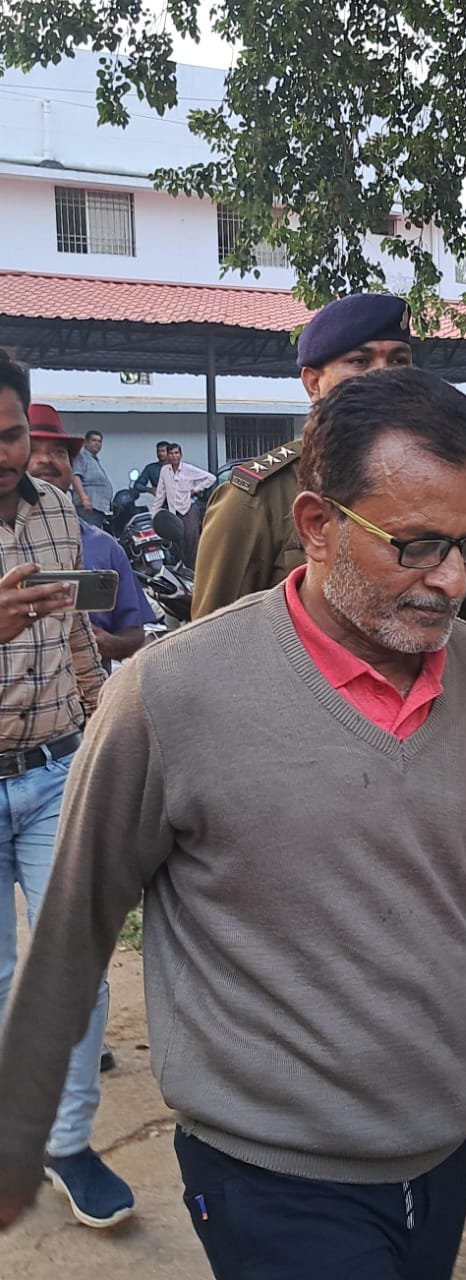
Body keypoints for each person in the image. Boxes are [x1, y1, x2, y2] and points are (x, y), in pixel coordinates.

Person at [0, 367, 466, 1278]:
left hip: (444, 1147)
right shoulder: (174, 694)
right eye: (417, 546)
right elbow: (72, 930)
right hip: (266, 1175)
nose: (450, 578)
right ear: (316, 525)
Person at [194, 292, 466, 842]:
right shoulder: (259, 498)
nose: (382, 375)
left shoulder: (442, 491)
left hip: (422, 752)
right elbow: (214, 644)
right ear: (313, 382)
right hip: (293, 761)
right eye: (360, 361)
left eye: (399, 360)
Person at [0, 353, 134, 1228]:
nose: (3, 456)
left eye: (11, 435)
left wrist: (98, 718)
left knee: (73, 971)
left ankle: (67, 1140)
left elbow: (77, 633)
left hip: (54, 772)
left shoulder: (57, 513)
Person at [28, 404, 154, 664]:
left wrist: (108, 644)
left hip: (90, 687)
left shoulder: (105, 547)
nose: (46, 460)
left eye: (58, 452)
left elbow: (134, 635)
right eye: (31, 450)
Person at [151, 442, 216, 569]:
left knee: (191, 537)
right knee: (177, 540)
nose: (174, 456)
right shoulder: (165, 471)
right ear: (168, 456)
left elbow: (211, 478)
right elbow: (160, 494)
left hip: (188, 508)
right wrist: (154, 513)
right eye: (171, 453)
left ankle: (194, 568)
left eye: (176, 453)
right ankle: (183, 568)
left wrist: (195, 489)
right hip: (174, 511)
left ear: (181, 455)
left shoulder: (188, 469)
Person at [72, 429, 114, 526]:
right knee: (90, 533)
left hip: (97, 508)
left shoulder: (93, 459)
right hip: (88, 508)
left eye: (99, 441)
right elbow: (76, 477)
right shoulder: (82, 457)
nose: (97, 443)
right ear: (86, 443)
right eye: (94, 440)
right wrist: (84, 499)